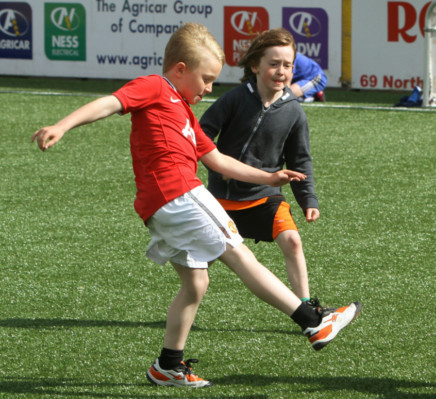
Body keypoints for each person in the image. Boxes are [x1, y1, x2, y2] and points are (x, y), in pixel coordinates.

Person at [31, 22, 361, 389]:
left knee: (195, 284)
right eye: (205, 79)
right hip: (178, 194)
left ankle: (167, 366)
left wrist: (269, 178)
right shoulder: (156, 86)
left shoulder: (185, 113)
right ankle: (311, 321)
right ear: (180, 70)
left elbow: (217, 159)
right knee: (239, 254)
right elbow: (111, 102)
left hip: (161, 206)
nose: (208, 89)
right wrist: (63, 125)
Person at [199, 28, 322, 306]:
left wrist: (308, 199)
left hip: (263, 197)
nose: (281, 71)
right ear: (255, 65)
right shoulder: (235, 98)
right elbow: (202, 133)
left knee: (292, 241)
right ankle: (188, 303)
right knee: (198, 270)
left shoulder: (294, 111)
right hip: (221, 199)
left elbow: (300, 161)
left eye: (288, 65)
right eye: (274, 63)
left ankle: (306, 305)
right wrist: (216, 164)